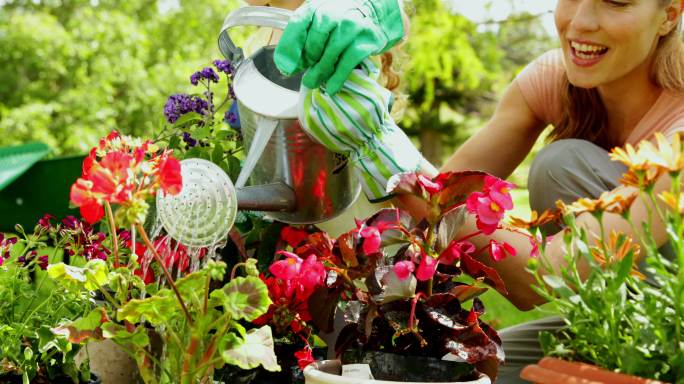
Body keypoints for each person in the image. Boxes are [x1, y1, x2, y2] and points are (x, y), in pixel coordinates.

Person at [273, 0, 684, 381]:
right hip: (603, 318)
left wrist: (383, 148)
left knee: (562, 163)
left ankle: (649, 362)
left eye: (615, 1)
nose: (580, 21)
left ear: (669, 14)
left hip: (668, 321)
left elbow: (543, 276)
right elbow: (432, 215)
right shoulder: (554, 80)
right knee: (465, 371)